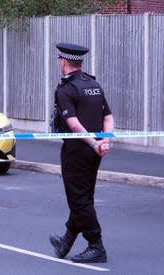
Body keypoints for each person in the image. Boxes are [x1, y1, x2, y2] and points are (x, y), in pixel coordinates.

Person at [49, 42, 113, 264]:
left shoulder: (65, 89)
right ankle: (66, 241)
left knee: (79, 200)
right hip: (94, 151)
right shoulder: (94, 84)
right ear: (81, 62)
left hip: (77, 150)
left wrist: (94, 144)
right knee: (84, 197)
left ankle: (96, 245)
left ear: (63, 62)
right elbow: (108, 117)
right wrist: (104, 140)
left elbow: (74, 125)